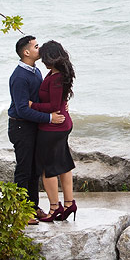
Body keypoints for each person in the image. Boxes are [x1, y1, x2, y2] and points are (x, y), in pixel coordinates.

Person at [7, 35, 64, 224]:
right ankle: (21, 211)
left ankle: (32, 206)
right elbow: (22, 109)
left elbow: (41, 99)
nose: (40, 49)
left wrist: (60, 107)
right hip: (21, 126)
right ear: (26, 52)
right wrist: (50, 118)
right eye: (36, 46)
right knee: (24, 170)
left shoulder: (35, 71)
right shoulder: (19, 77)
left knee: (35, 169)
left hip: (33, 125)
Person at [30, 39, 78, 222]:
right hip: (62, 124)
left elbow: (54, 105)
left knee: (47, 169)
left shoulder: (56, 78)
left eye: (44, 58)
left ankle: (54, 208)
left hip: (53, 127)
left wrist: (32, 105)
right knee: (64, 164)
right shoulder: (57, 73)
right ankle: (68, 204)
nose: (42, 61)